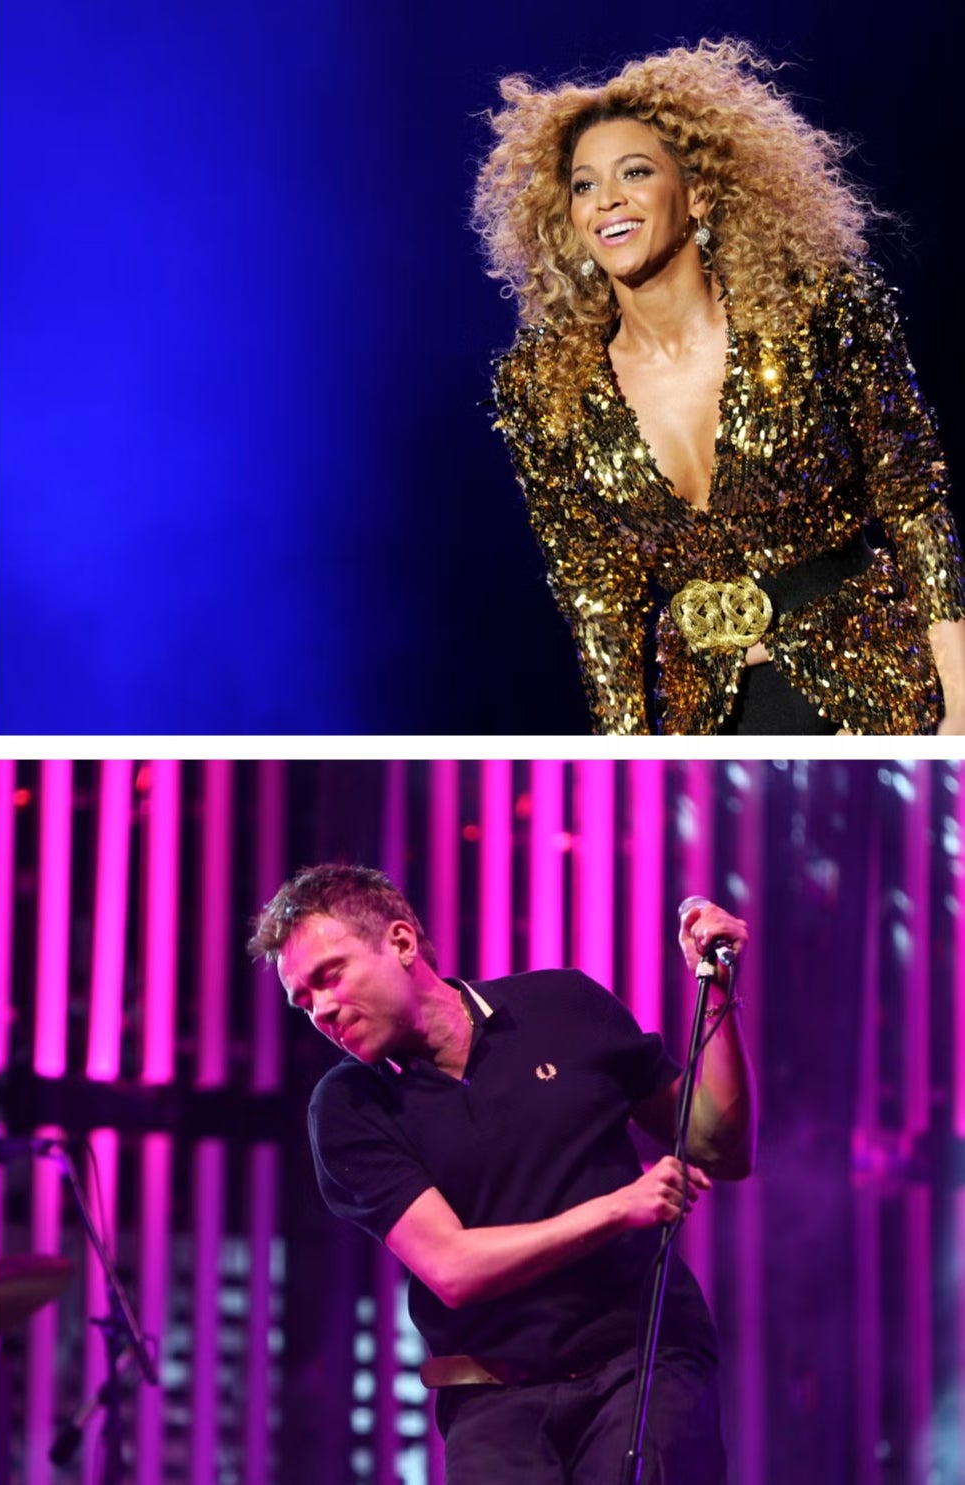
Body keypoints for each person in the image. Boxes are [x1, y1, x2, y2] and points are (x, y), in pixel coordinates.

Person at [472, 39, 964, 735]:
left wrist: (962, 709)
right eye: (585, 185)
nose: (607, 198)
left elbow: (915, 501)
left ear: (698, 192)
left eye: (634, 172)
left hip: (876, 692)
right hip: (710, 722)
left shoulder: (815, 311)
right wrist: (628, 763)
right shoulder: (545, 388)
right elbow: (597, 600)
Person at [248, 864, 755, 1484]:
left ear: (401, 943)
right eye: (303, 1000)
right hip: (493, 1399)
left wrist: (721, 995)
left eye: (331, 976)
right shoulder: (348, 1107)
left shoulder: (563, 1005)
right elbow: (454, 1268)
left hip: (643, 1361)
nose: (322, 1009)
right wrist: (622, 1206)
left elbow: (718, 1148)